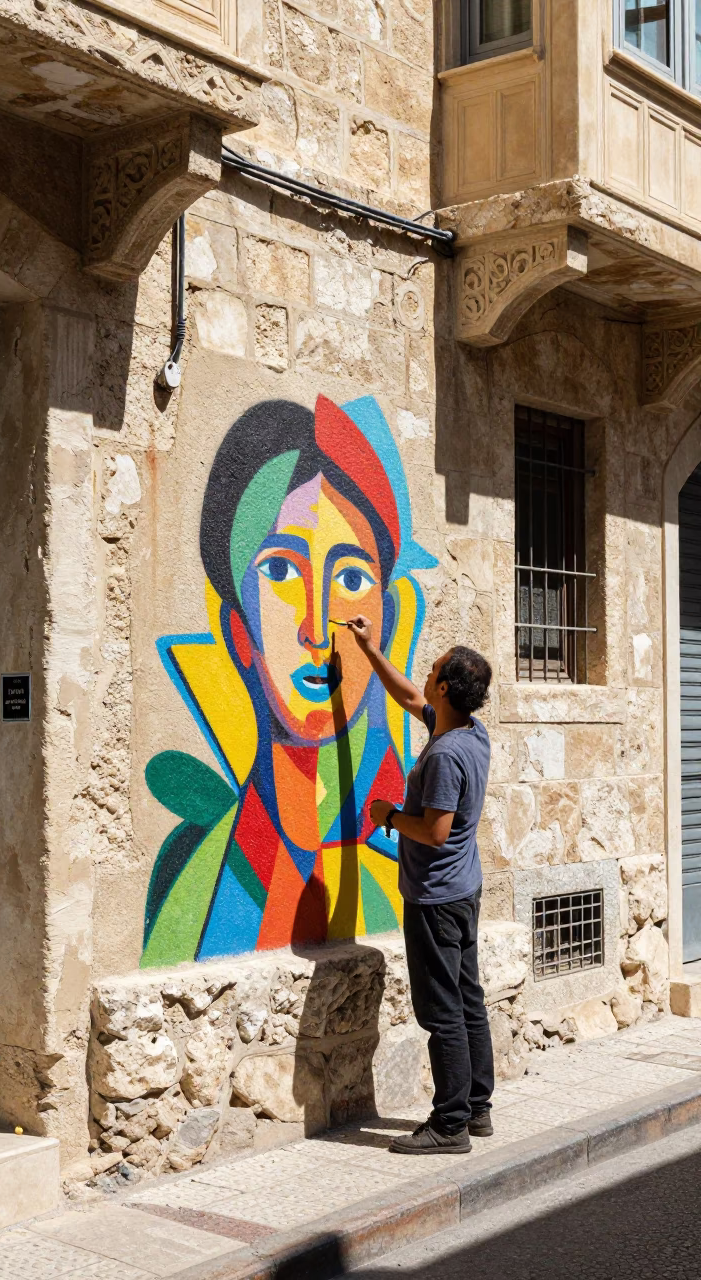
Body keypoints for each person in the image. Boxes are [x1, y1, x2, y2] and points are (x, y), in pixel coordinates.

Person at [141, 394, 437, 966]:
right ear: (239, 633)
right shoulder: (191, 869)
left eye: (351, 576)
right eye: (279, 570)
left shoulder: (406, 852)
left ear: (386, 622)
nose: (314, 625)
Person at [348, 616, 494, 1154]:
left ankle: (450, 1124)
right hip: (463, 889)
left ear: (448, 687)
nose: (425, 673)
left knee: (441, 1011)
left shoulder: (446, 755)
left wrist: (389, 815)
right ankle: (478, 1107)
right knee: (468, 998)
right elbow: (409, 694)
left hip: (435, 897)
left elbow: (434, 830)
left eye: (433, 669)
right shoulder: (468, 732)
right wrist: (369, 648)